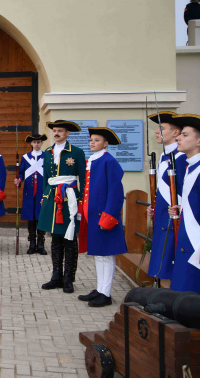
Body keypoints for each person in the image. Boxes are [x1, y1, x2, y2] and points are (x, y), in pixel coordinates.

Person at [77, 127, 127, 307]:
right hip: (92, 216)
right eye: (91, 140)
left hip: (103, 216)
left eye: (97, 140)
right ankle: (100, 289)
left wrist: (109, 216)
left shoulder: (109, 161)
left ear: (105, 143)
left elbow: (116, 192)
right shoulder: (93, 160)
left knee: (106, 256)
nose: (92, 143)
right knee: (98, 255)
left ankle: (105, 294)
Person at [38, 120, 86, 294]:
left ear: (67, 134)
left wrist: (80, 201)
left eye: (60, 131)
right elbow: (45, 177)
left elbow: (83, 178)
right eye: (55, 131)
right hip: (52, 197)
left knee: (70, 239)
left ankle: (68, 278)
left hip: (70, 198)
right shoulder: (48, 152)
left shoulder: (77, 152)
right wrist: (44, 196)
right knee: (55, 239)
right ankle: (56, 276)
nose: (56, 133)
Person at [147, 111, 187, 281]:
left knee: (170, 261)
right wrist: (154, 206)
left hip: (174, 217)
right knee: (161, 260)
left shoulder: (182, 157)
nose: (157, 132)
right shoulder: (164, 157)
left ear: (175, 133)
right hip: (162, 217)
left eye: (162, 128)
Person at [168, 113, 200, 294]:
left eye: (186, 135)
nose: (179, 137)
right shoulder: (190, 167)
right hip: (187, 240)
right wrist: (183, 208)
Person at [15, 134, 48, 255]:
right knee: (31, 219)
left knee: (41, 217)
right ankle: (32, 244)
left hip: (42, 192)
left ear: (41, 143)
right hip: (29, 192)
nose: (37, 144)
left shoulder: (47, 156)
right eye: (34, 142)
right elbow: (21, 173)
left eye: (39, 142)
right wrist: (19, 180)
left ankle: (41, 243)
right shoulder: (25, 157)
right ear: (31, 144)